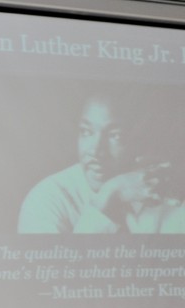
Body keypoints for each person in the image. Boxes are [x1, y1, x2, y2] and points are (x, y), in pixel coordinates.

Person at [17, 92, 185, 233]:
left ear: (139, 142)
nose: (96, 150)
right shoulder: (46, 199)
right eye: (86, 132)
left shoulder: (164, 194)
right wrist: (109, 195)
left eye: (115, 135)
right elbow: (55, 271)